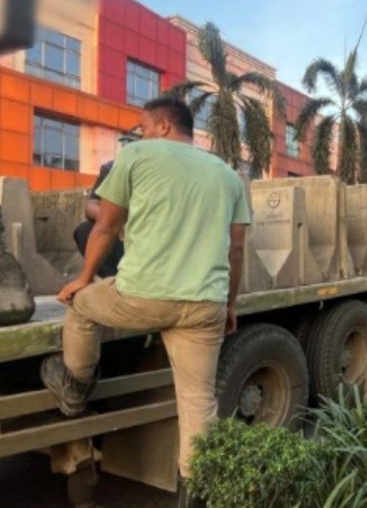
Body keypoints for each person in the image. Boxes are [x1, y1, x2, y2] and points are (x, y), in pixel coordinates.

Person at [40, 96, 250, 504]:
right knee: (198, 405)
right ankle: (196, 496)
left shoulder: (136, 156)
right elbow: (236, 249)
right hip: (204, 304)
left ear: (165, 126)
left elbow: (105, 225)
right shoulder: (228, 175)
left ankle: (75, 387)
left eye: (144, 126)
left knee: (82, 306)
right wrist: (229, 305)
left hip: (141, 296)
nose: (140, 133)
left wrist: (82, 280)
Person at [72, 160, 124, 278]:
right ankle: (113, 281)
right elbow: (91, 205)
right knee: (84, 231)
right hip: (121, 233)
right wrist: (115, 218)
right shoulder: (112, 168)